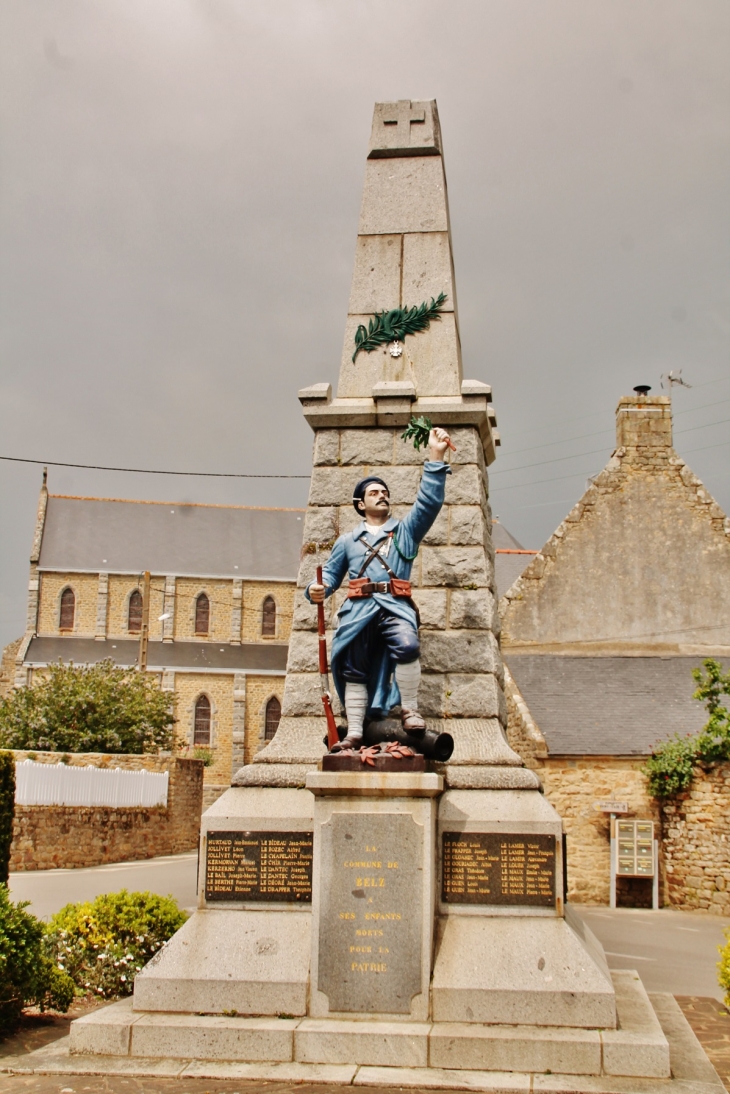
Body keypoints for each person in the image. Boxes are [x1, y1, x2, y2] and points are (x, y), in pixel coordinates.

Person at [306, 427, 452, 750]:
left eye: (384, 491)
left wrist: (436, 456)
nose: (382, 495)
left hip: (395, 605)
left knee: (408, 645)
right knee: (354, 668)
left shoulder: (404, 532)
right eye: (374, 493)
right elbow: (329, 577)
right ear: (361, 504)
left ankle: (409, 710)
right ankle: (355, 730)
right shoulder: (347, 541)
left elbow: (428, 504)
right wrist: (317, 588)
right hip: (358, 611)